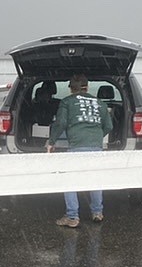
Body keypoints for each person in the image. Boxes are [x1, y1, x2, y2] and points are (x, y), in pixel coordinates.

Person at [46, 74, 113, 228]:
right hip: (96, 146)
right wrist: (95, 137)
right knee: (94, 179)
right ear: (87, 87)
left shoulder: (67, 102)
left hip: (77, 145)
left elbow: (61, 123)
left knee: (70, 180)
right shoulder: (100, 103)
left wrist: (51, 141)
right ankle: (97, 212)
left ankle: (72, 216)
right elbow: (109, 126)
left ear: (70, 88)